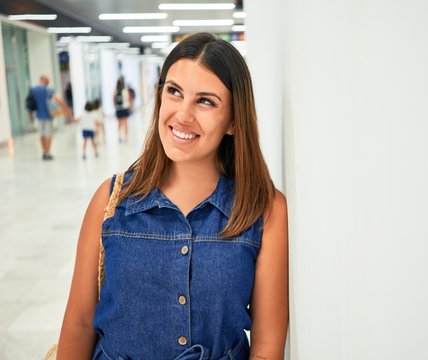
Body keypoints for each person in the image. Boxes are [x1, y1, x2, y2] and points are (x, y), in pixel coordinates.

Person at [57, 32, 289, 360]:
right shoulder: (110, 201)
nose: (182, 114)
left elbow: (267, 347)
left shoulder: (265, 211)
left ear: (234, 121)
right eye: (174, 92)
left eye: (205, 101)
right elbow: (80, 324)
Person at [30, 75, 72, 160]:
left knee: (42, 134)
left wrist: (30, 115)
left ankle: (44, 152)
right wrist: (66, 108)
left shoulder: (34, 90)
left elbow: (30, 103)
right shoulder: (48, 89)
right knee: (48, 134)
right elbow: (57, 99)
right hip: (48, 115)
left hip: (39, 115)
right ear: (45, 80)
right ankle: (47, 152)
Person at [113, 76, 132, 142]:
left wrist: (115, 107)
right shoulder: (126, 91)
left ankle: (119, 136)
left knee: (119, 123)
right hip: (125, 108)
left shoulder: (115, 91)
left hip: (118, 109)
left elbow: (113, 101)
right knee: (125, 123)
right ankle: (126, 137)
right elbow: (129, 100)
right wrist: (130, 107)